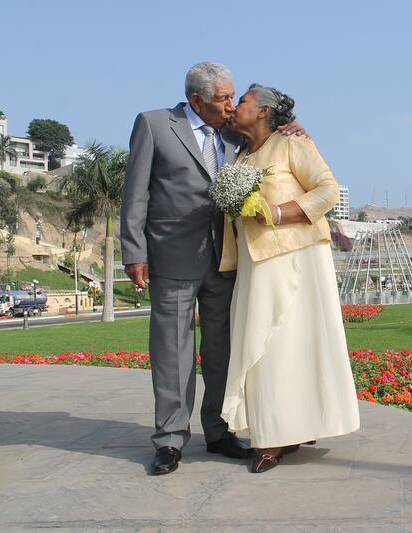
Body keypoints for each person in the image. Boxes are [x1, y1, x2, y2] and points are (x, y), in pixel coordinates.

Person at [120, 63, 304, 475]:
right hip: (172, 257)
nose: (230, 105)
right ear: (197, 100)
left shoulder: (230, 132)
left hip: (226, 258)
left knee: (221, 348)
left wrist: (294, 125)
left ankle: (218, 431)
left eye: (233, 97)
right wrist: (134, 251)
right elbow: (134, 194)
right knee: (172, 350)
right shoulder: (153, 125)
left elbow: (267, 125)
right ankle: (169, 439)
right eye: (223, 98)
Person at [219, 84, 360, 473]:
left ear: (263, 111)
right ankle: (278, 428)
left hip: (296, 257)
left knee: (287, 346)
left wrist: (279, 214)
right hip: (254, 261)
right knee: (259, 345)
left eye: (242, 101)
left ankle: (274, 439)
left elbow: (328, 190)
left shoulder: (292, 143)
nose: (233, 108)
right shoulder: (239, 155)